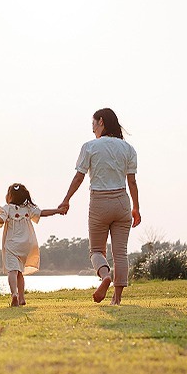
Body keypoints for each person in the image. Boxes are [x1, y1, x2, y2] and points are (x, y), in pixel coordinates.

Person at [58, 108, 141, 306]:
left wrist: (66, 199)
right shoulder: (128, 149)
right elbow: (132, 182)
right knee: (120, 252)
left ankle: (105, 276)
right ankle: (117, 299)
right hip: (122, 200)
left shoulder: (90, 147)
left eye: (93, 124)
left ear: (101, 122)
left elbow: (79, 177)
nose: (92, 128)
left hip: (99, 202)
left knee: (96, 250)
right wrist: (136, 208)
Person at [0, 183, 63, 307]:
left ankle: (14, 293)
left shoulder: (6, 209)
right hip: (27, 244)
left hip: (12, 244)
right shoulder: (28, 209)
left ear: (9, 196)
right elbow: (43, 213)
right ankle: (22, 298)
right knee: (20, 272)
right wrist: (57, 211)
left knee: (12, 271)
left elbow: (0, 220)